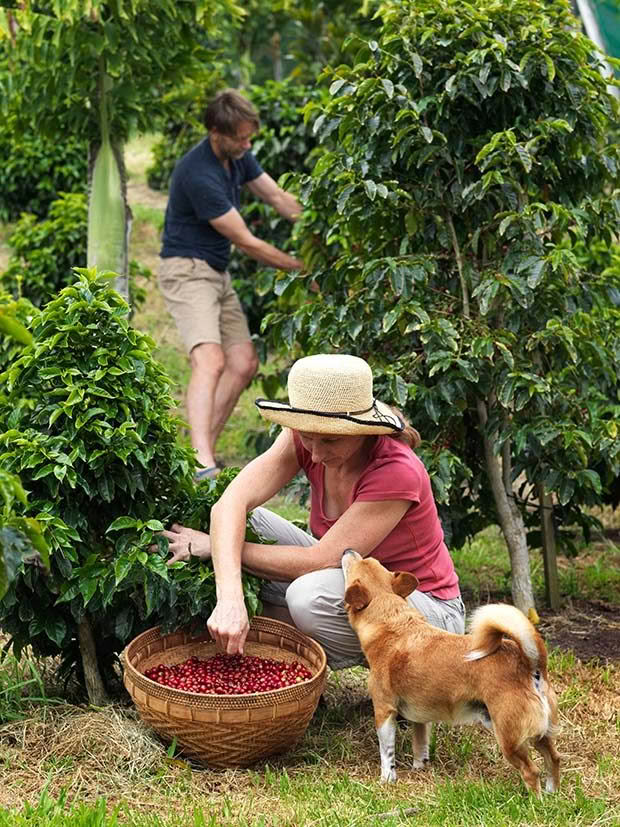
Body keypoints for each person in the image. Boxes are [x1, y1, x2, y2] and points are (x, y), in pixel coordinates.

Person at [157, 354, 465, 671]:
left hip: (427, 618)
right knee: (245, 523)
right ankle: (288, 665)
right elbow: (230, 503)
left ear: (363, 431)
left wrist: (215, 548)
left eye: (330, 440)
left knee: (307, 595)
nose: (315, 454)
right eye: (307, 437)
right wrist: (230, 598)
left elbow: (319, 561)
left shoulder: (396, 470)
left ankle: (382, 674)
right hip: (355, 583)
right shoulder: (304, 437)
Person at [158, 88, 303, 480]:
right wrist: (299, 266)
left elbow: (276, 196)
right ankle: (202, 460)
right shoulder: (198, 172)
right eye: (240, 137)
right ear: (214, 131)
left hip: (216, 274)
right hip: (187, 271)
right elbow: (246, 240)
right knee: (210, 360)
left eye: (248, 136)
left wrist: (317, 228)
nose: (247, 143)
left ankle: (195, 460)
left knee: (243, 363)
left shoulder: (237, 156)